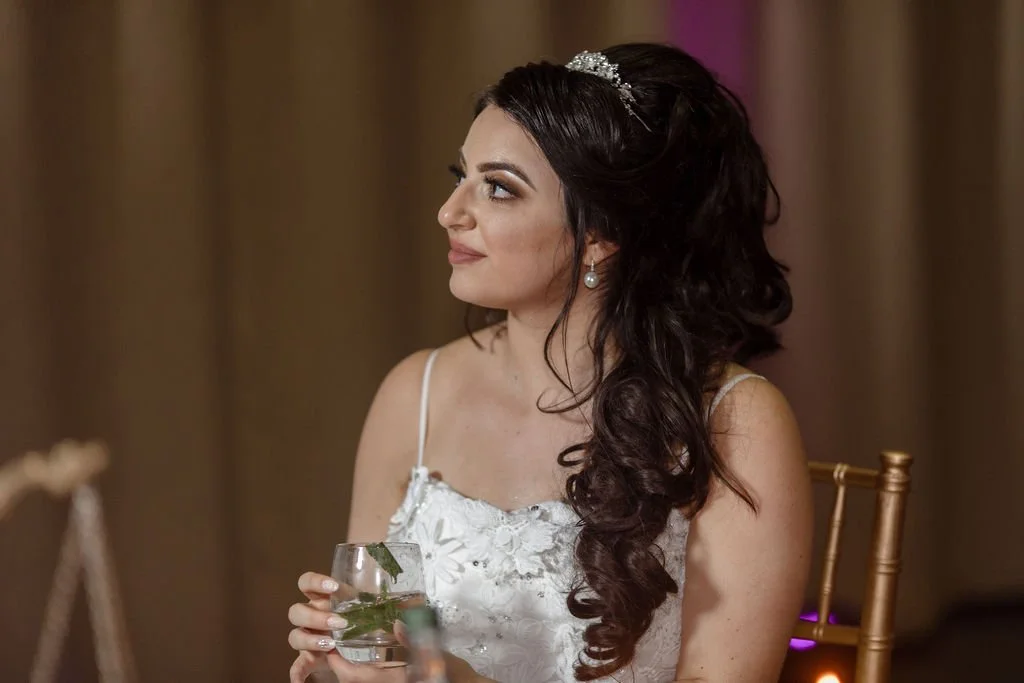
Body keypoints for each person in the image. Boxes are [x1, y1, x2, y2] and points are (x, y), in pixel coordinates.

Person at [287, 42, 813, 683]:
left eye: (499, 189)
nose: (449, 214)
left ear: (600, 233)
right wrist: (345, 658)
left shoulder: (737, 423)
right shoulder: (414, 394)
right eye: (461, 179)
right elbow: (380, 629)